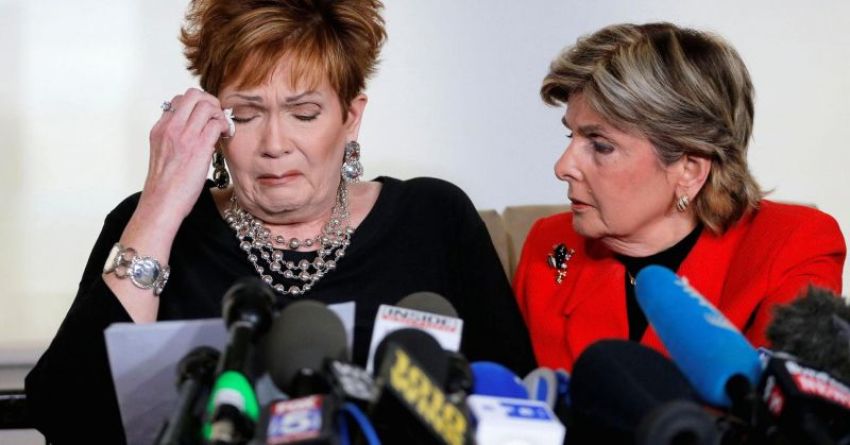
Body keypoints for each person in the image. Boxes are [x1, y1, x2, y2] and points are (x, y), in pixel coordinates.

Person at [25, 0, 535, 442]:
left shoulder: (434, 219)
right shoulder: (151, 225)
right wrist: (160, 204)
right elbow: (67, 417)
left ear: (350, 116)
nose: (273, 144)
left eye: (304, 113)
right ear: (213, 120)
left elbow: (519, 409)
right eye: (244, 115)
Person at [514, 22, 846, 371]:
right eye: (571, 137)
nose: (563, 166)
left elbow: (783, 409)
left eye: (600, 145)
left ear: (689, 169)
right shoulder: (551, 245)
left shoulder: (792, 244)